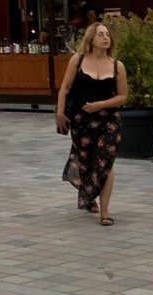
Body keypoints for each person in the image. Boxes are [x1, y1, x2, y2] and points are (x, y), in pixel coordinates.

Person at [54, 22, 127, 224]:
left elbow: (123, 96)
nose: (105, 38)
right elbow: (65, 89)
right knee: (87, 162)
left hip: (109, 120)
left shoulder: (117, 65)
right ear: (91, 39)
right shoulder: (77, 61)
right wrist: (60, 112)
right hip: (81, 121)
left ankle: (105, 211)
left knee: (106, 161)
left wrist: (101, 104)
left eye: (107, 35)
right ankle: (89, 195)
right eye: (100, 34)